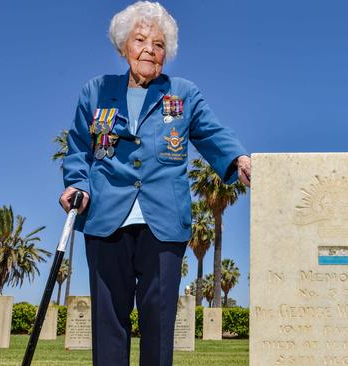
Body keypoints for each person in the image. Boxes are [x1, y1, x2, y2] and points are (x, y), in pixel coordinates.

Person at [59, 2, 251, 365]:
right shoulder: (95, 91)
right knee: (108, 325)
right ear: (123, 46)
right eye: (141, 39)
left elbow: (211, 132)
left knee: (159, 327)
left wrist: (238, 157)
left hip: (163, 224)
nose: (150, 49)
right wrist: (76, 185)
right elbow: (78, 151)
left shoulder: (182, 93)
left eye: (159, 44)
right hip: (103, 219)